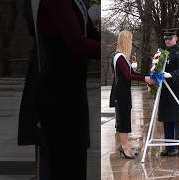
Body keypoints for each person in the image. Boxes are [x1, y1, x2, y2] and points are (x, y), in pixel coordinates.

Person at [18, 0, 100, 179]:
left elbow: (88, 34)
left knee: (72, 157)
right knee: (61, 160)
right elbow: (75, 42)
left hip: (70, 88)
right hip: (57, 90)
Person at [110, 30, 154, 159]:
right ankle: (124, 147)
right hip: (121, 93)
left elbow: (133, 72)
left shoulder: (122, 57)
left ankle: (125, 145)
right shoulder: (120, 58)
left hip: (123, 92)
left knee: (124, 118)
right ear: (126, 41)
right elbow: (128, 75)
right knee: (123, 119)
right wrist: (145, 79)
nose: (132, 43)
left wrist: (147, 76)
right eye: (130, 40)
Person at [158, 28, 179, 156]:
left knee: (175, 119)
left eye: (170, 38)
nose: (167, 40)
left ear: (176, 38)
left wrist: (170, 75)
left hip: (176, 89)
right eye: (165, 38)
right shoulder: (163, 53)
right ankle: (169, 147)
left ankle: (175, 147)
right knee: (166, 118)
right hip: (165, 89)